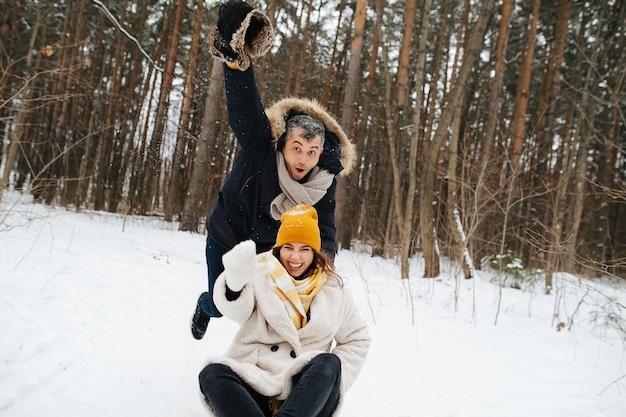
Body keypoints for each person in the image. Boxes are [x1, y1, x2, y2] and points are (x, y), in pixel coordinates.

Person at [191, 0, 356, 340]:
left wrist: (326, 267)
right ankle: (205, 306)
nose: (303, 159)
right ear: (283, 144)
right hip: (227, 234)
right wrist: (238, 65)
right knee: (224, 302)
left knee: (263, 312)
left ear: (320, 153)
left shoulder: (323, 182)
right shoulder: (260, 146)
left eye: (312, 152)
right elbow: (243, 107)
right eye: (297, 148)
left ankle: (261, 373)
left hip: (269, 251)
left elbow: (325, 228)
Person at [198, 204, 371, 417]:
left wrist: (332, 382)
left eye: (304, 249)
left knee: (329, 363)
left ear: (315, 252)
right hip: (257, 380)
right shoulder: (260, 273)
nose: (295, 258)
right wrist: (234, 285)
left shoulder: (335, 292)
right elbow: (238, 312)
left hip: (307, 395)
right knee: (212, 373)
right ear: (279, 248)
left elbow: (357, 339)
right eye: (289, 247)